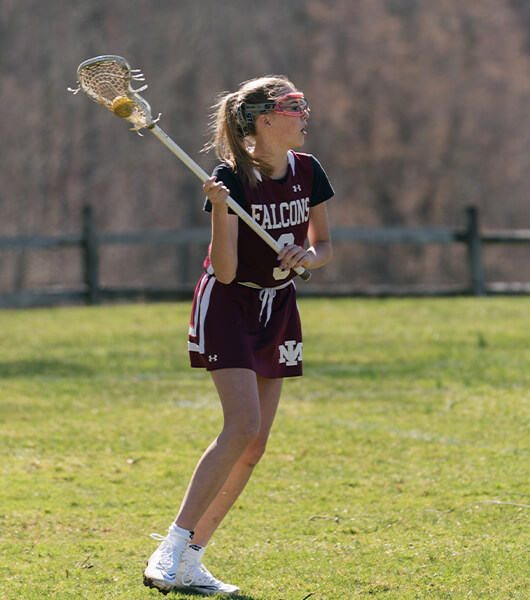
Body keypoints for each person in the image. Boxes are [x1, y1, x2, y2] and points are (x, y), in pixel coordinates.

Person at [143, 75, 334, 596]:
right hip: (229, 303)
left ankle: (192, 561)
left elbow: (324, 246)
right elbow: (224, 272)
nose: (304, 114)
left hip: (278, 306)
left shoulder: (309, 170)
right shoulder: (230, 176)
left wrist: (305, 257)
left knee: (256, 446)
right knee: (241, 425)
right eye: (294, 106)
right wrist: (222, 210)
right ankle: (171, 548)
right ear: (265, 119)